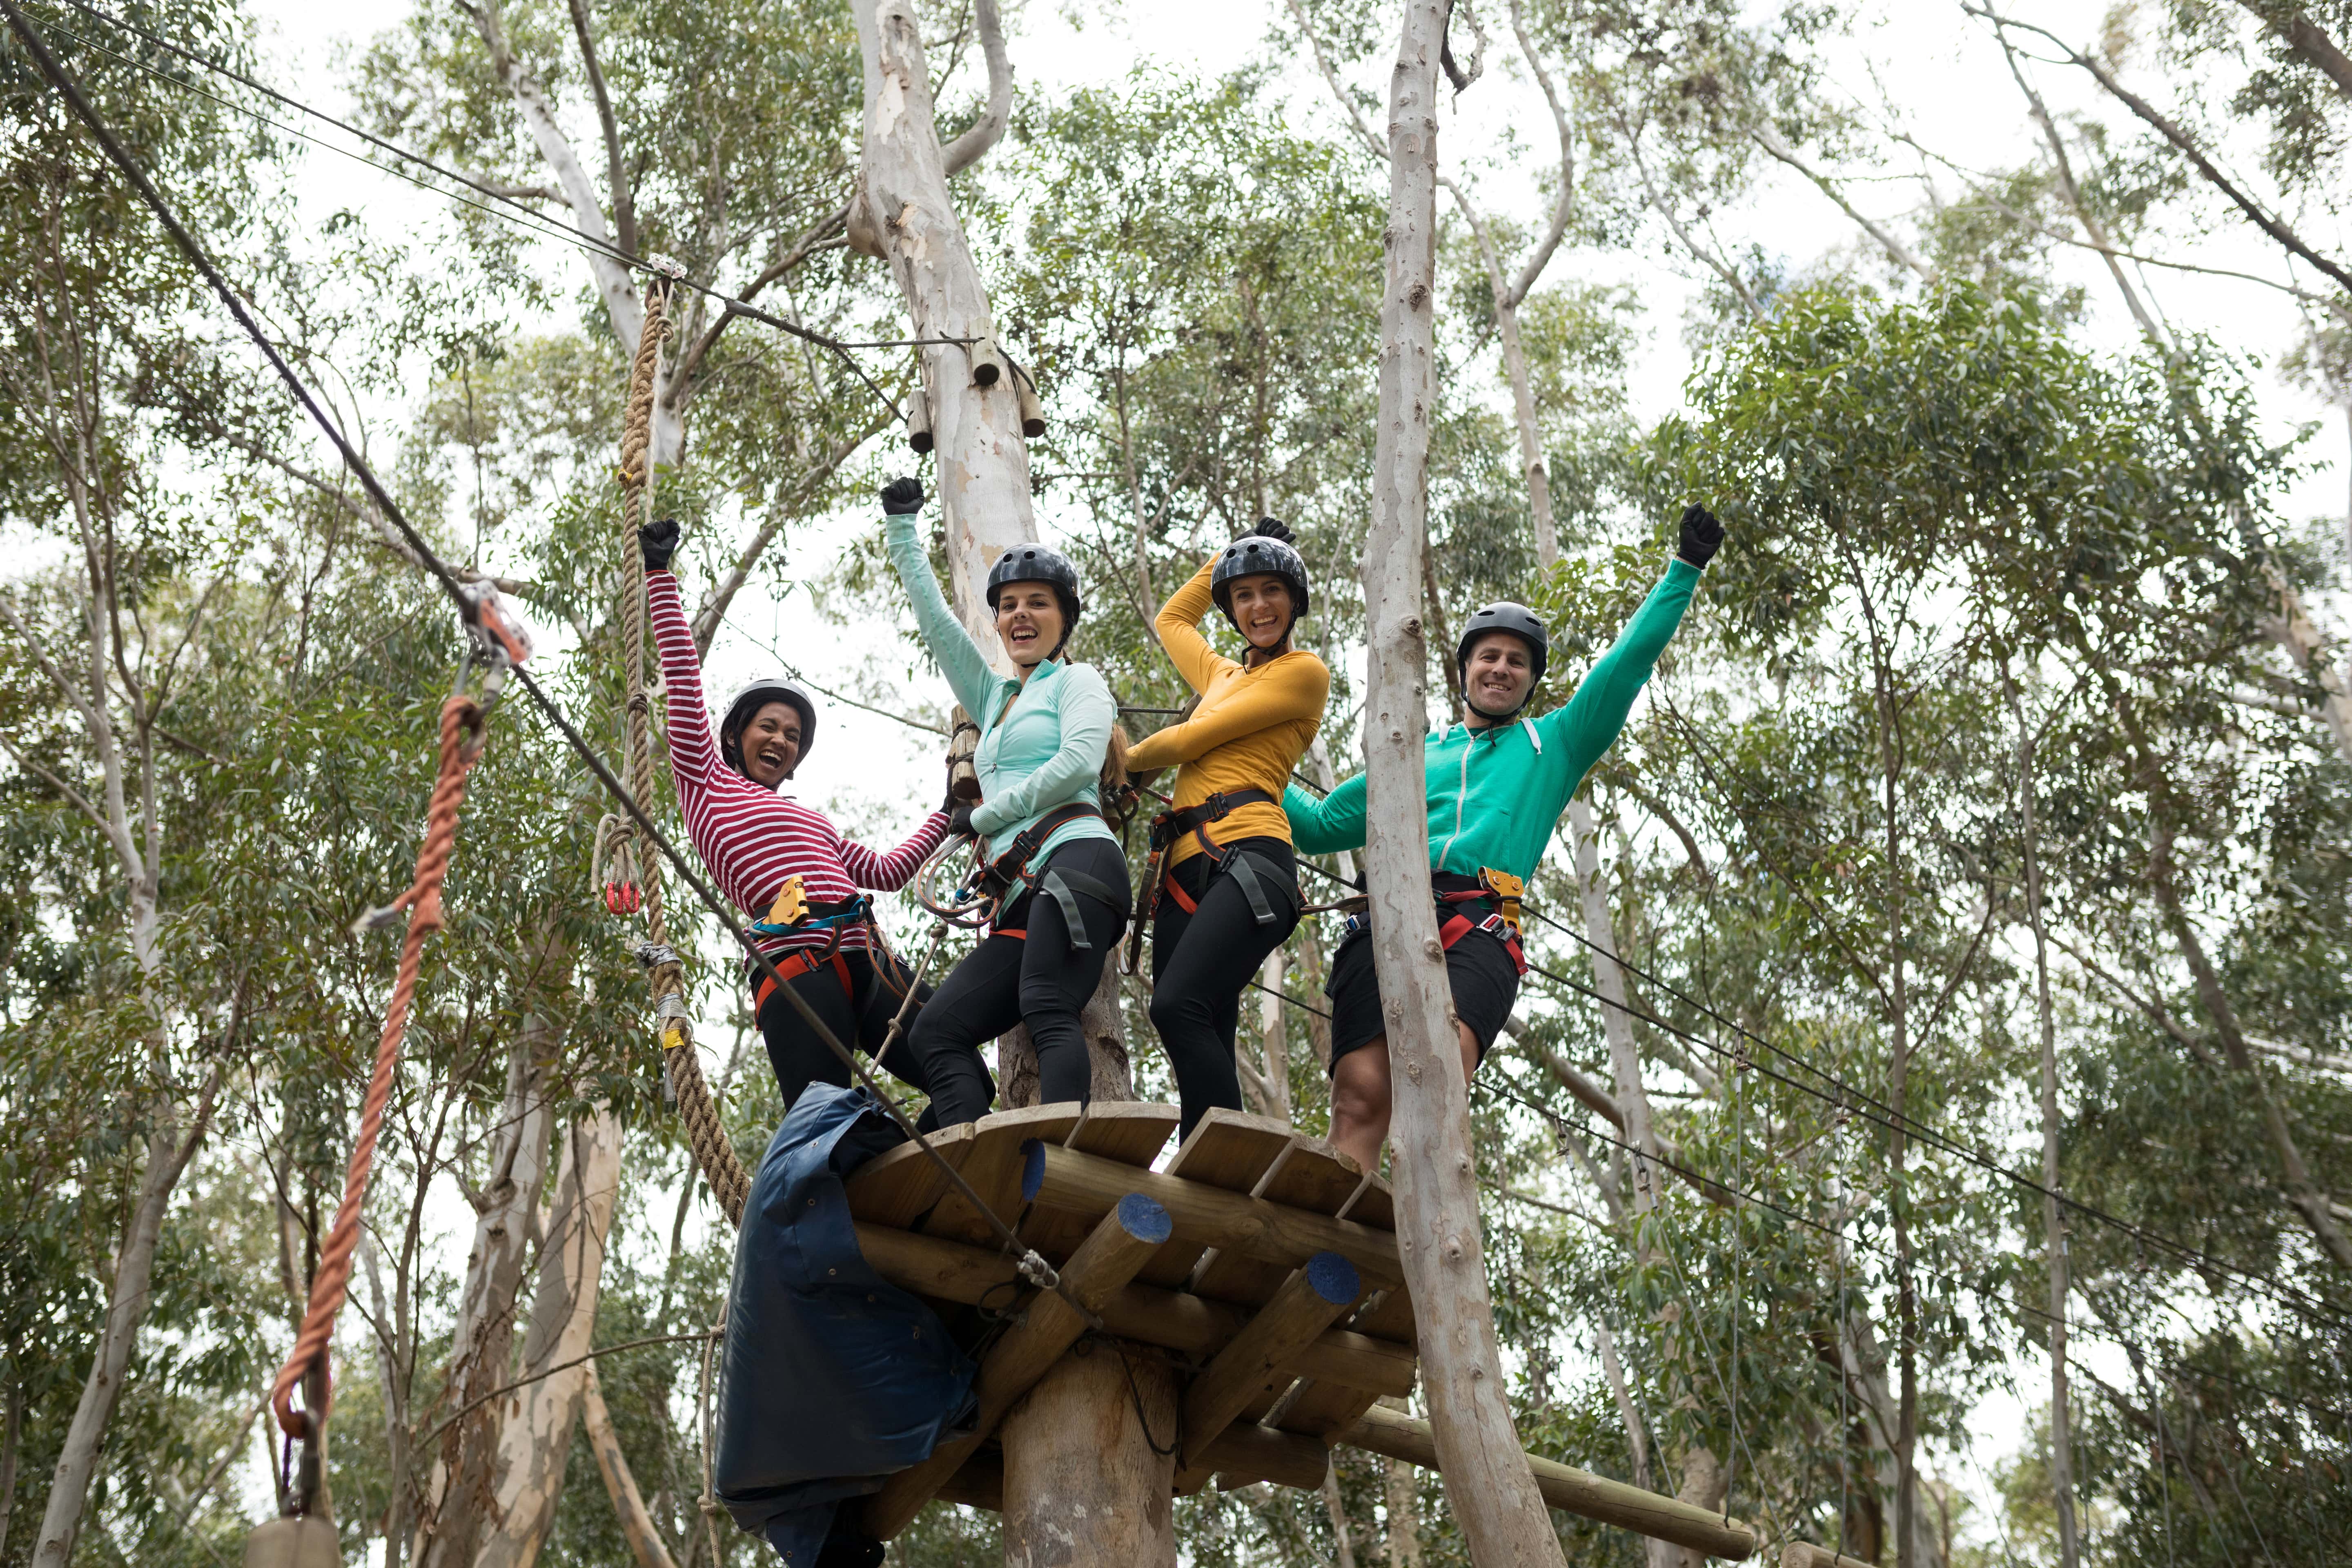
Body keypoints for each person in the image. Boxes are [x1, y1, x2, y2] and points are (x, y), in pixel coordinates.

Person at [1283, 505, 1725, 1173]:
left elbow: (1627, 664)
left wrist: (1684, 570)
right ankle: (1334, 1249)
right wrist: (1242, 757)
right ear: (1464, 669)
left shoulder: (1555, 744)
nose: (1501, 669)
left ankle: (1420, 1251)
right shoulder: (1411, 752)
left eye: (1517, 662)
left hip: (1478, 925)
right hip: (1382, 920)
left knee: (1439, 1083)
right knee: (1358, 1098)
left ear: (1532, 680)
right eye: (1488, 656)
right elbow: (1316, 828)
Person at [639, 516, 953, 1117]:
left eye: (793, 736)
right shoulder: (706, 780)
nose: (781, 741)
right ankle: (857, 1178)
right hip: (797, 961)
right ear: (735, 736)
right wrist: (660, 575)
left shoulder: (816, 824)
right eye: (769, 727)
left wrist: (949, 814)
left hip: (870, 956)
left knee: (957, 1064)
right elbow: (682, 679)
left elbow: (887, 871)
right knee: (826, 1117)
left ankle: (935, 1171)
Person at [878, 477, 1132, 1126]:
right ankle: (967, 1161)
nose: (1021, 615)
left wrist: (984, 817)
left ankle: (1058, 1155)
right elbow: (936, 622)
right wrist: (903, 528)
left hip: (1078, 858)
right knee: (934, 1031)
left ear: (1063, 617)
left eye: (1038, 603)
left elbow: (1077, 762)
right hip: (1022, 888)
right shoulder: (995, 699)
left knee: (1048, 1004)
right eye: (1009, 605)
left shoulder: (1079, 681)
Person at [1123, 520, 1328, 1139]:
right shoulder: (1220, 676)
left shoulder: (1304, 672)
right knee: (1203, 1020)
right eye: (1243, 595)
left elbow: (1194, 738)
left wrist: (1118, 760)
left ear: (1294, 602)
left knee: (1174, 1005)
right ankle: (1209, 1163)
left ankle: (1226, 1153)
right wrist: (1230, 552)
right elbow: (1171, 622)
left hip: (1250, 853)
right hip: (1184, 868)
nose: (1259, 605)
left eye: (1272, 590)